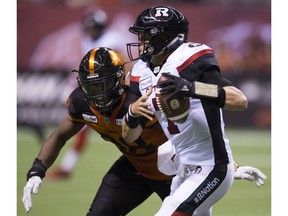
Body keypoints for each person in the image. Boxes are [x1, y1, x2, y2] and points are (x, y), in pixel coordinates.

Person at [22, 47, 266, 215]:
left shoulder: (143, 97)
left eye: (104, 84)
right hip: (134, 167)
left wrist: (228, 166)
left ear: (120, 79)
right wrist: (37, 170)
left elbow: (189, 133)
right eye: (91, 86)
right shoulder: (81, 103)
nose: (97, 93)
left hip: (174, 173)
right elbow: (59, 135)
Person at [121, 5, 257, 216]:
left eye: (146, 35)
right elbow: (129, 136)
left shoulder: (189, 58)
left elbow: (239, 100)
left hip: (212, 167)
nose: (141, 41)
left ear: (165, 36)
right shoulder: (140, 73)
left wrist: (191, 88)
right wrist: (131, 114)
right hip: (183, 168)